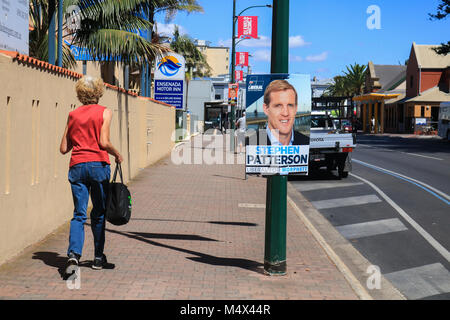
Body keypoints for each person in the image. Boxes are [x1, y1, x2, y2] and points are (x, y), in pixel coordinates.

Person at [60, 76, 123, 274]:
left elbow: (63, 148)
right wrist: (118, 154)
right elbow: (104, 142)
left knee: (79, 214)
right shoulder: (105, 112)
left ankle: (73, 255)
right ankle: (97, 257)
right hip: (98, 166)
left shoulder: (73, 114)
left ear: (80, 93)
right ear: (99, 91)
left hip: (77, 166)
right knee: (98, 212)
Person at [250, 79, 309, 146]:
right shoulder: (251, 143)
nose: (285, 113)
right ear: (266, 109)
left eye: (290, 105)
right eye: (278, 106)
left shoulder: (306, 142)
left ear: (296, 109)